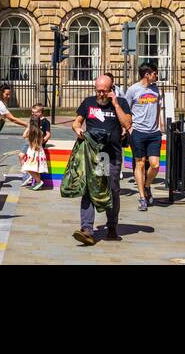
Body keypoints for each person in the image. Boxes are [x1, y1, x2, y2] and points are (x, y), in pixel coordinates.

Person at [70, 73, 131, 246]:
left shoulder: (121, 103)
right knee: (90, 189)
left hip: (111, 154)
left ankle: (112, 225)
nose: (100, 94)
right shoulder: (88, 102)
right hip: (93, 154)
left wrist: (116, 104)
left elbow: (127, 124)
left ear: (111, 90)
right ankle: (87, 229)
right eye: (98, 91)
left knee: (112, 189)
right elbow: (76, 122)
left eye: (104, 91)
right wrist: (78, 130)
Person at [124, 64, 163, 212]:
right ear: (147, 74)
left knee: (155, 165)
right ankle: (142, 197)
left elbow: (158, 107)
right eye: (154, 73)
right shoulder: (133, 89)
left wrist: (160, 125)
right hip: (138, 132)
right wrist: (128, 128)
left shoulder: (156, 89)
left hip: (154, 133)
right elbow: (126, 109)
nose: (156, 76)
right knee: (139, 163)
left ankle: (147, 186)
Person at [20, 112, 49, 190]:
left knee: (28, 168)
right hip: (39, 152)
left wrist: (28, 127)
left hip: (32, 152)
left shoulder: (31, 131)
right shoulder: (40, 131)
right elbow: (42, 141)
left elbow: (23, 136)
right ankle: (37, 183)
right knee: (36, 169)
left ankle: (39, 181)